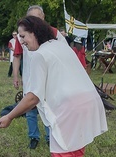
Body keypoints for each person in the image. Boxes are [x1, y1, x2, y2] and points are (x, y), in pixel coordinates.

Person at [0, 15, 107, 157]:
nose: (21, 41)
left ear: (36, 33)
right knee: (76, 153)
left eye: (24, 36)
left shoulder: (40, 55)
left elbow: (33, 96)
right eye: (19, 37)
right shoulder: (60, 45)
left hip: (70, 109)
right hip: (87, 102)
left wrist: (9, 116)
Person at [12, 5, 68, 149]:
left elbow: (64, 56)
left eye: (38, 18)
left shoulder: (54, 33)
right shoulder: (22, 35)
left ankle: (51, 137)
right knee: (30, 110)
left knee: (49, 109)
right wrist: (15, 75)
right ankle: (33, 137)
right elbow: (17, 56)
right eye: (32, 18)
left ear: (43, 19)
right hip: (30, 80)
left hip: (50, 81)